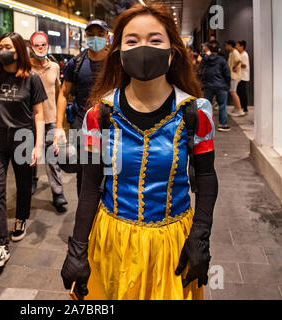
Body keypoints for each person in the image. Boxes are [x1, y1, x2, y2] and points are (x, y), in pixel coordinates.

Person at [61, 3, 218, 300]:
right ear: (118, 52)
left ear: (173, 51)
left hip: (173, 244)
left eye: (155, 40)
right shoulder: (99, 115)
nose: (143, 48)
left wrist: (200, 236)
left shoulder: (196, 112)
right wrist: (77, 249)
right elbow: (91, 187)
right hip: (111, 241)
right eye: (132, 41)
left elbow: (207, 176)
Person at [0, 32, 46, 268]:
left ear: (19, 50)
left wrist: (38, 146)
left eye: (8, 46)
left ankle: (21, 219)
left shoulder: (31, 79)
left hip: (23, 139)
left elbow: (39, 114)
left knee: (24, 184)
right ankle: (0, 245)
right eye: (0, 47)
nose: (3, 50)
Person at [53, 19, 109, 197]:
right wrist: (59, 127)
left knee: (110, 168)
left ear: (107, 36)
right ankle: (85, 211)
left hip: (110, 124)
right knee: (84, 172)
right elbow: (63, 93)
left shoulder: (116, 63)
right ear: (85, 36)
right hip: (82, 122)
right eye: (91, 34)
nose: (95, 38)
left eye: (100, 34)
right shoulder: (75, 63)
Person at [29, 31, 68, 211]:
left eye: (43, 44)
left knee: (53, 158)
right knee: (28, 155)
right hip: (30, 120)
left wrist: (61, 121)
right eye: (37, 45)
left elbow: (59, 92)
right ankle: (31, 180)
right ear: (31, 47)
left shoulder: (54, 67)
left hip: (51, 119)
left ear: (47, 45)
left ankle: (58, 193)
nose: (40, 48)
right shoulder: (26, 67)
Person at [201, 40, 231, 132]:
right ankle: (222, 124)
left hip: (208, 85)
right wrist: (227, 85)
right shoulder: (222, 60)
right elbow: (227, 74)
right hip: (221, 85)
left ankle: (206, 125)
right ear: (218, 49)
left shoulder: (206, 59)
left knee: (206, 105)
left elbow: (203, 70)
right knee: (222, 105)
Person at [225, 40, 244, 117]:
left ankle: (239, 109)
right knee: (232, 92)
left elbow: (239, 60)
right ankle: (236, 108)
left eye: (226, 45)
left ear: (230, 45)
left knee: (233, 92)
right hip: (232, 75)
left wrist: (234, 67)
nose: (226, 47)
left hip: (234, 76)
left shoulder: (235, 52)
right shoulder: (232, 53)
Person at [236, 40, 250, 113]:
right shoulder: (240, 54)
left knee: (242, 92)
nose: (236, 47)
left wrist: (236, 65)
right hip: (240, 76)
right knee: (240, 92)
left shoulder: (244, 54)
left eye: (238, 45)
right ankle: (241, 106)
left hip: (243, 76)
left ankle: (245, 107)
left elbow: (244, 65)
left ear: (242, 46)